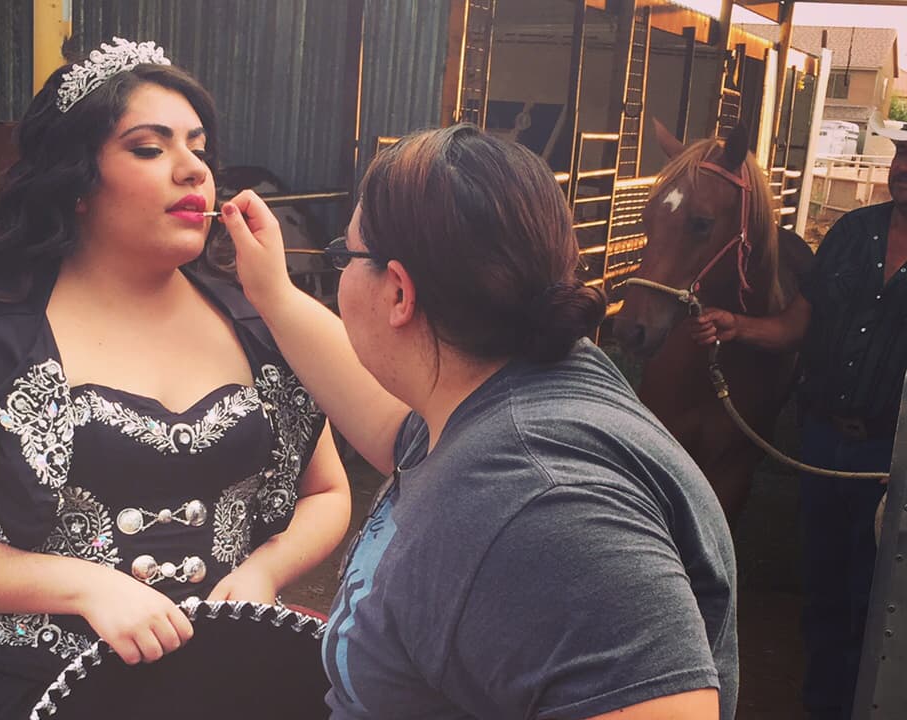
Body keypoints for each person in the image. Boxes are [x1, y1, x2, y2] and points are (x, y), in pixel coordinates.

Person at [0, 38, 349, 719]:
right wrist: (82, 586)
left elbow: (329, 491)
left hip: (226, 684)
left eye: (199, 148)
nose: (193, 169)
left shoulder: (260, 322)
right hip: (20, 684)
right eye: (149, 148)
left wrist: (265, 570)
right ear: (76, 182)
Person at [220, 124, 738, 719]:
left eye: (345, 256)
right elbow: (393, 428)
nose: (339, 270)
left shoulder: (545, 504)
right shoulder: (506, 397)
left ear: (399, 293)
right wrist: (274, 293)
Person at [691, 130, 907, 720]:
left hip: (889, 457)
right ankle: (821, 705)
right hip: (824, 441)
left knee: (876, 600)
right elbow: (795, 326)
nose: (903, 167)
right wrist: (736, 326)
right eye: (901, 154)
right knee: (824, 587)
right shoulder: (851, 233)